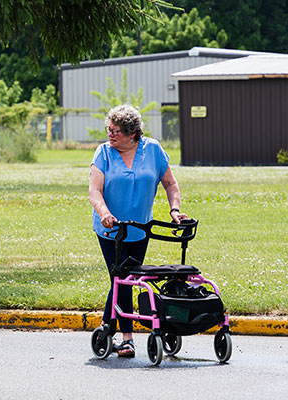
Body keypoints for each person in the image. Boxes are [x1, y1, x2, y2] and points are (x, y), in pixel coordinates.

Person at [88, 104, 189, 358]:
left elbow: (170, 183)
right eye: (108, 130)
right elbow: (95, 191)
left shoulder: (153, 150)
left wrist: (175, 210)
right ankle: (127, 338)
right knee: (120, 278)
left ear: (133, 133)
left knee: (126, 279)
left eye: (116, 131)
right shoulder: (103, 153)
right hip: (111, 230)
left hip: (141, 228)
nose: (110, 135)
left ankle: (106, 328)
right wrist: (104, 214)